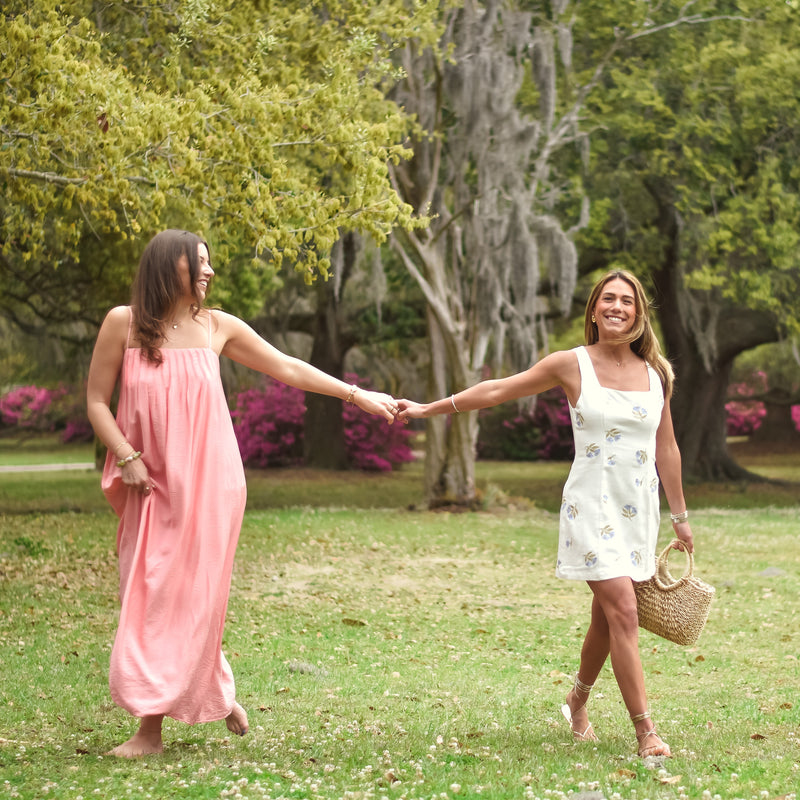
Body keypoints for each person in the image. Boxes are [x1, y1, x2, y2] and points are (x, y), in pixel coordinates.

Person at [87, 229, 400, 758]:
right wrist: (126, 455)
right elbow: (97, 401)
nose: (209, 271)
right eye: (199, 261)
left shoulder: (217, 326)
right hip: (151, 482)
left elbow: (288, 367)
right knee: (150, 592)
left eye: (209, 262)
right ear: (168, 265)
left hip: (212, 483)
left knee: (194, 594)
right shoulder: (123, 323)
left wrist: (356, 394)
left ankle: (149, 733)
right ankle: (215, 689)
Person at [397, 269, 694, 759]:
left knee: (607, 617)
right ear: (593, 310)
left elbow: (667, 447)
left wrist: (680, 516)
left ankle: (577, 701)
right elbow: (497, 390)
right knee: (624, 610)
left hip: (637, 510)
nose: (617, 307)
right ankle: (647, 733)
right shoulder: (570, 364)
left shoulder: (656, 373)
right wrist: (428, 409)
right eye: (608, 299)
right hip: (590, 506)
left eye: (627, 301)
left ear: (639, 313)